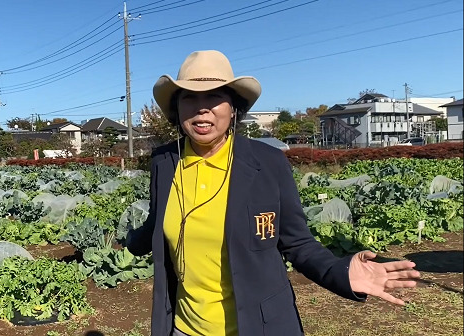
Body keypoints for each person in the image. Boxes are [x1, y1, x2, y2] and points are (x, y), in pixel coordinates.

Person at [126, 50, 420, 336]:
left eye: (215, 97)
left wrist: (340, 273)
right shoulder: (165, 161)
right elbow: (159, 216)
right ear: (177, 109)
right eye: (189, 97)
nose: (202, 108)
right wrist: (132, 241)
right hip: (185, 328)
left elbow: (298, 243)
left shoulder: (267, 162)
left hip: (259, 326)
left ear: (234, 108)